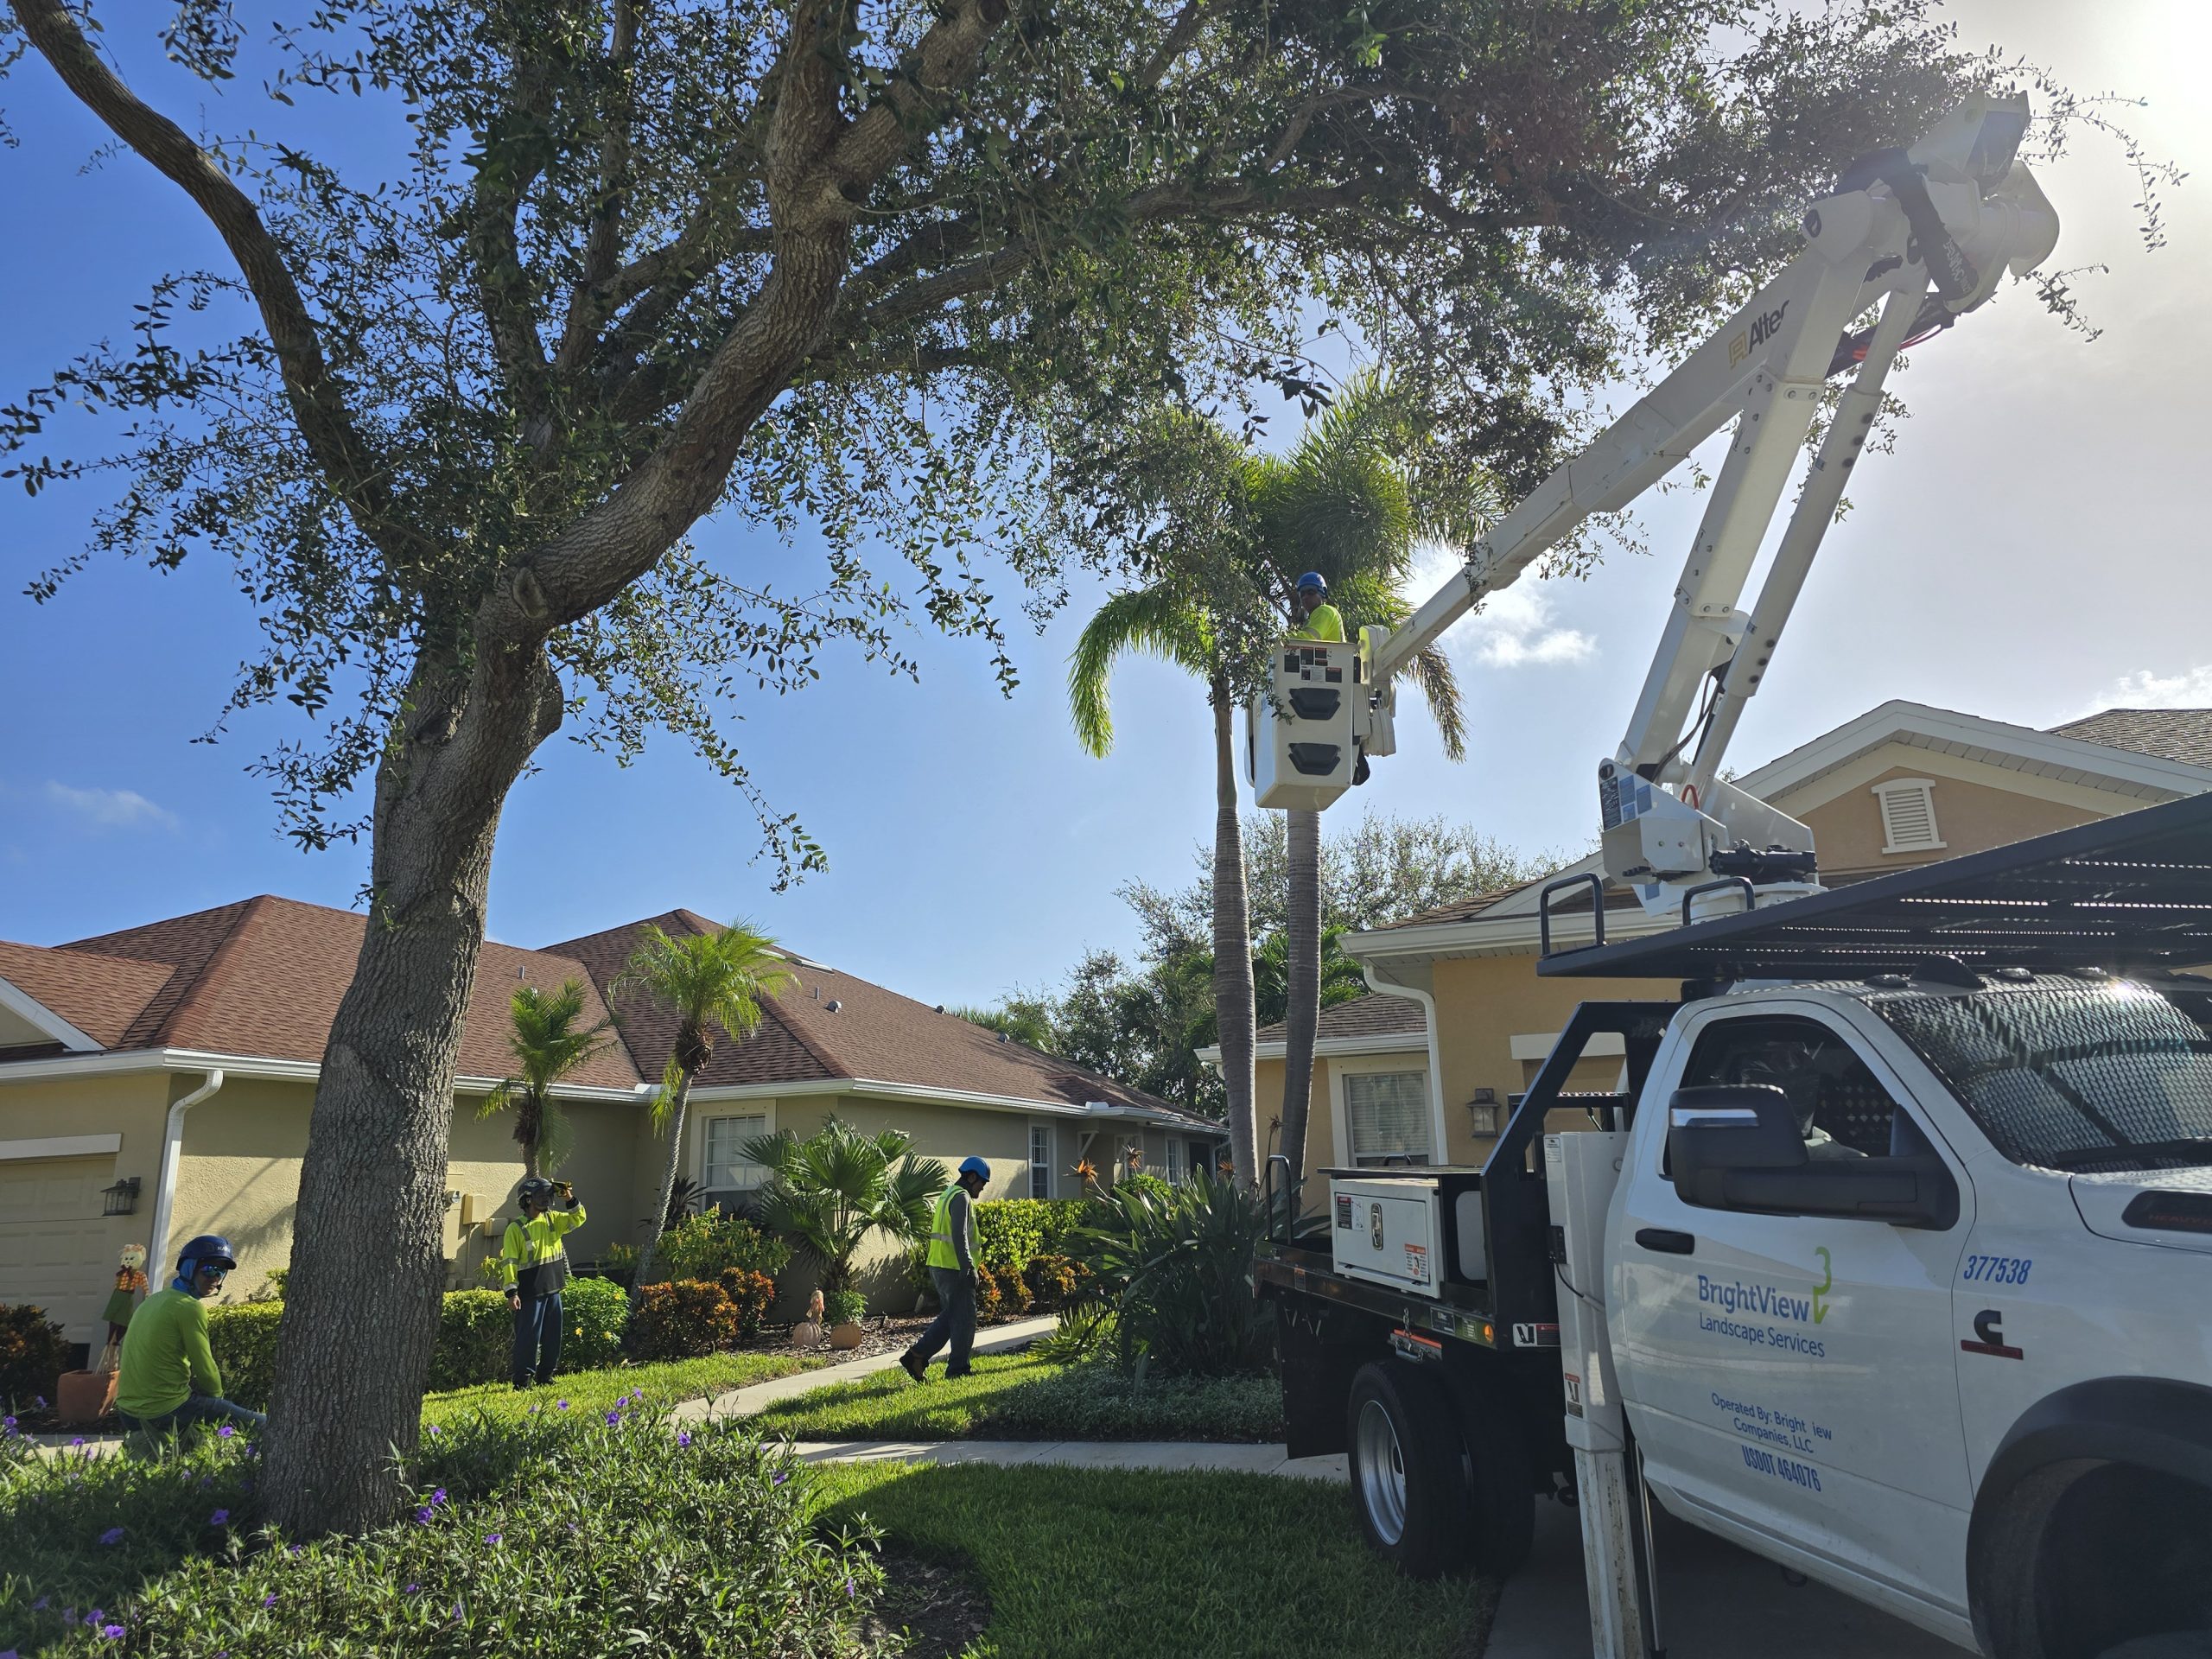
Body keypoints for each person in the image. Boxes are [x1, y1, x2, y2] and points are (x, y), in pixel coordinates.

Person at [115, 1235, 265, 1436]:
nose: (215, 1277)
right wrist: (217, 1402)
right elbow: (205, 1368)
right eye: (209, 1269)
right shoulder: (189, 1307)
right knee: (264, 1424)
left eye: (221, 1272)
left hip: (127, 1413)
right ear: (189, 1268)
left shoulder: (153, 1300)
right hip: (164, 1411)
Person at [900, 1156, 988, 1382]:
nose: (982, 1188)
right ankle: (957, 1369)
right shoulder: (962, 1198)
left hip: (940, 1265)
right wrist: (968, 1266)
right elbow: (959, 1236)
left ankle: (916, 1357)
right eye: (982, 1182)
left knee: (953, 1317)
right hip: (954, 1268)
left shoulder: (948, 1194)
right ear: (971, 1177)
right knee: (966, 1318)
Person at [502, 1176, 587, 1389]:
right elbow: (509, 1262)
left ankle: (545, 1375)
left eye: (549, 1196)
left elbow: (578, 1219)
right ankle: (522, 1381)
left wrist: (569, 1198)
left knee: (552, 1337)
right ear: (528, 1199)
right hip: (530, 1293)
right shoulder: (516, 1229)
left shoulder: (553, 1220)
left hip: (553, 1288)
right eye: (542, 1196)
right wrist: (512, 1292)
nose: (547, 1200)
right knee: (528, 1338)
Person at [1290, 571, 1344, 642]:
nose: (1305, 597)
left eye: (1311, 592)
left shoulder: (1324, 610)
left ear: (1322, 593)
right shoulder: (1312, 619)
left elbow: (1309, 639)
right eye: (1302, 594)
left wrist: (1283, 638)